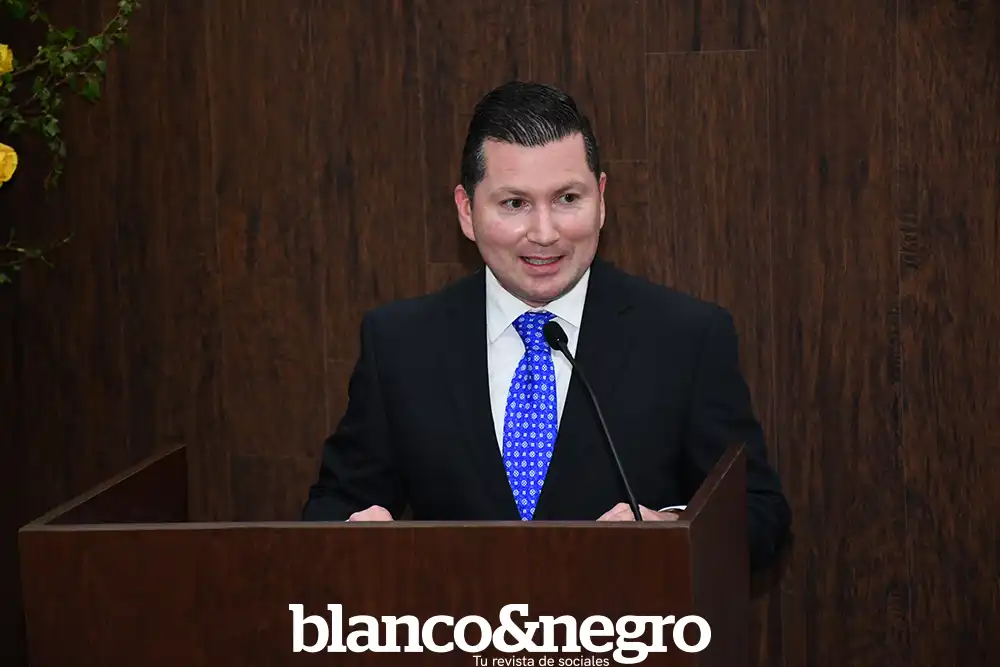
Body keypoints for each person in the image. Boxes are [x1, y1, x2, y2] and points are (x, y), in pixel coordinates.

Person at [302, 80, 791, 571]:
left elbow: (760, 515)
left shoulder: (685, 338)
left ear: (601, 199)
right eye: (514, 204)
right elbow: (332, 508)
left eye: (567, 198)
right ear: (467, 212)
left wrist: (675, 532)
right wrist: (353, 535)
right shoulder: (402, 344)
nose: (544, 232)